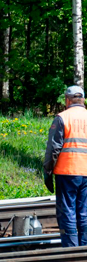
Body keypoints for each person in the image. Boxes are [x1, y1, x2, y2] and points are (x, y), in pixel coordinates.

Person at [44, 85, 87, 247]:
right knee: (84, 213)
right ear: (83, 100)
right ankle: (84, 250)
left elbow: (53, 149)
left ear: (67, 100)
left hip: (67, 172)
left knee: (67, 212)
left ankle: (71, 252)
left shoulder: (62, 118)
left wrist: (47, 171)